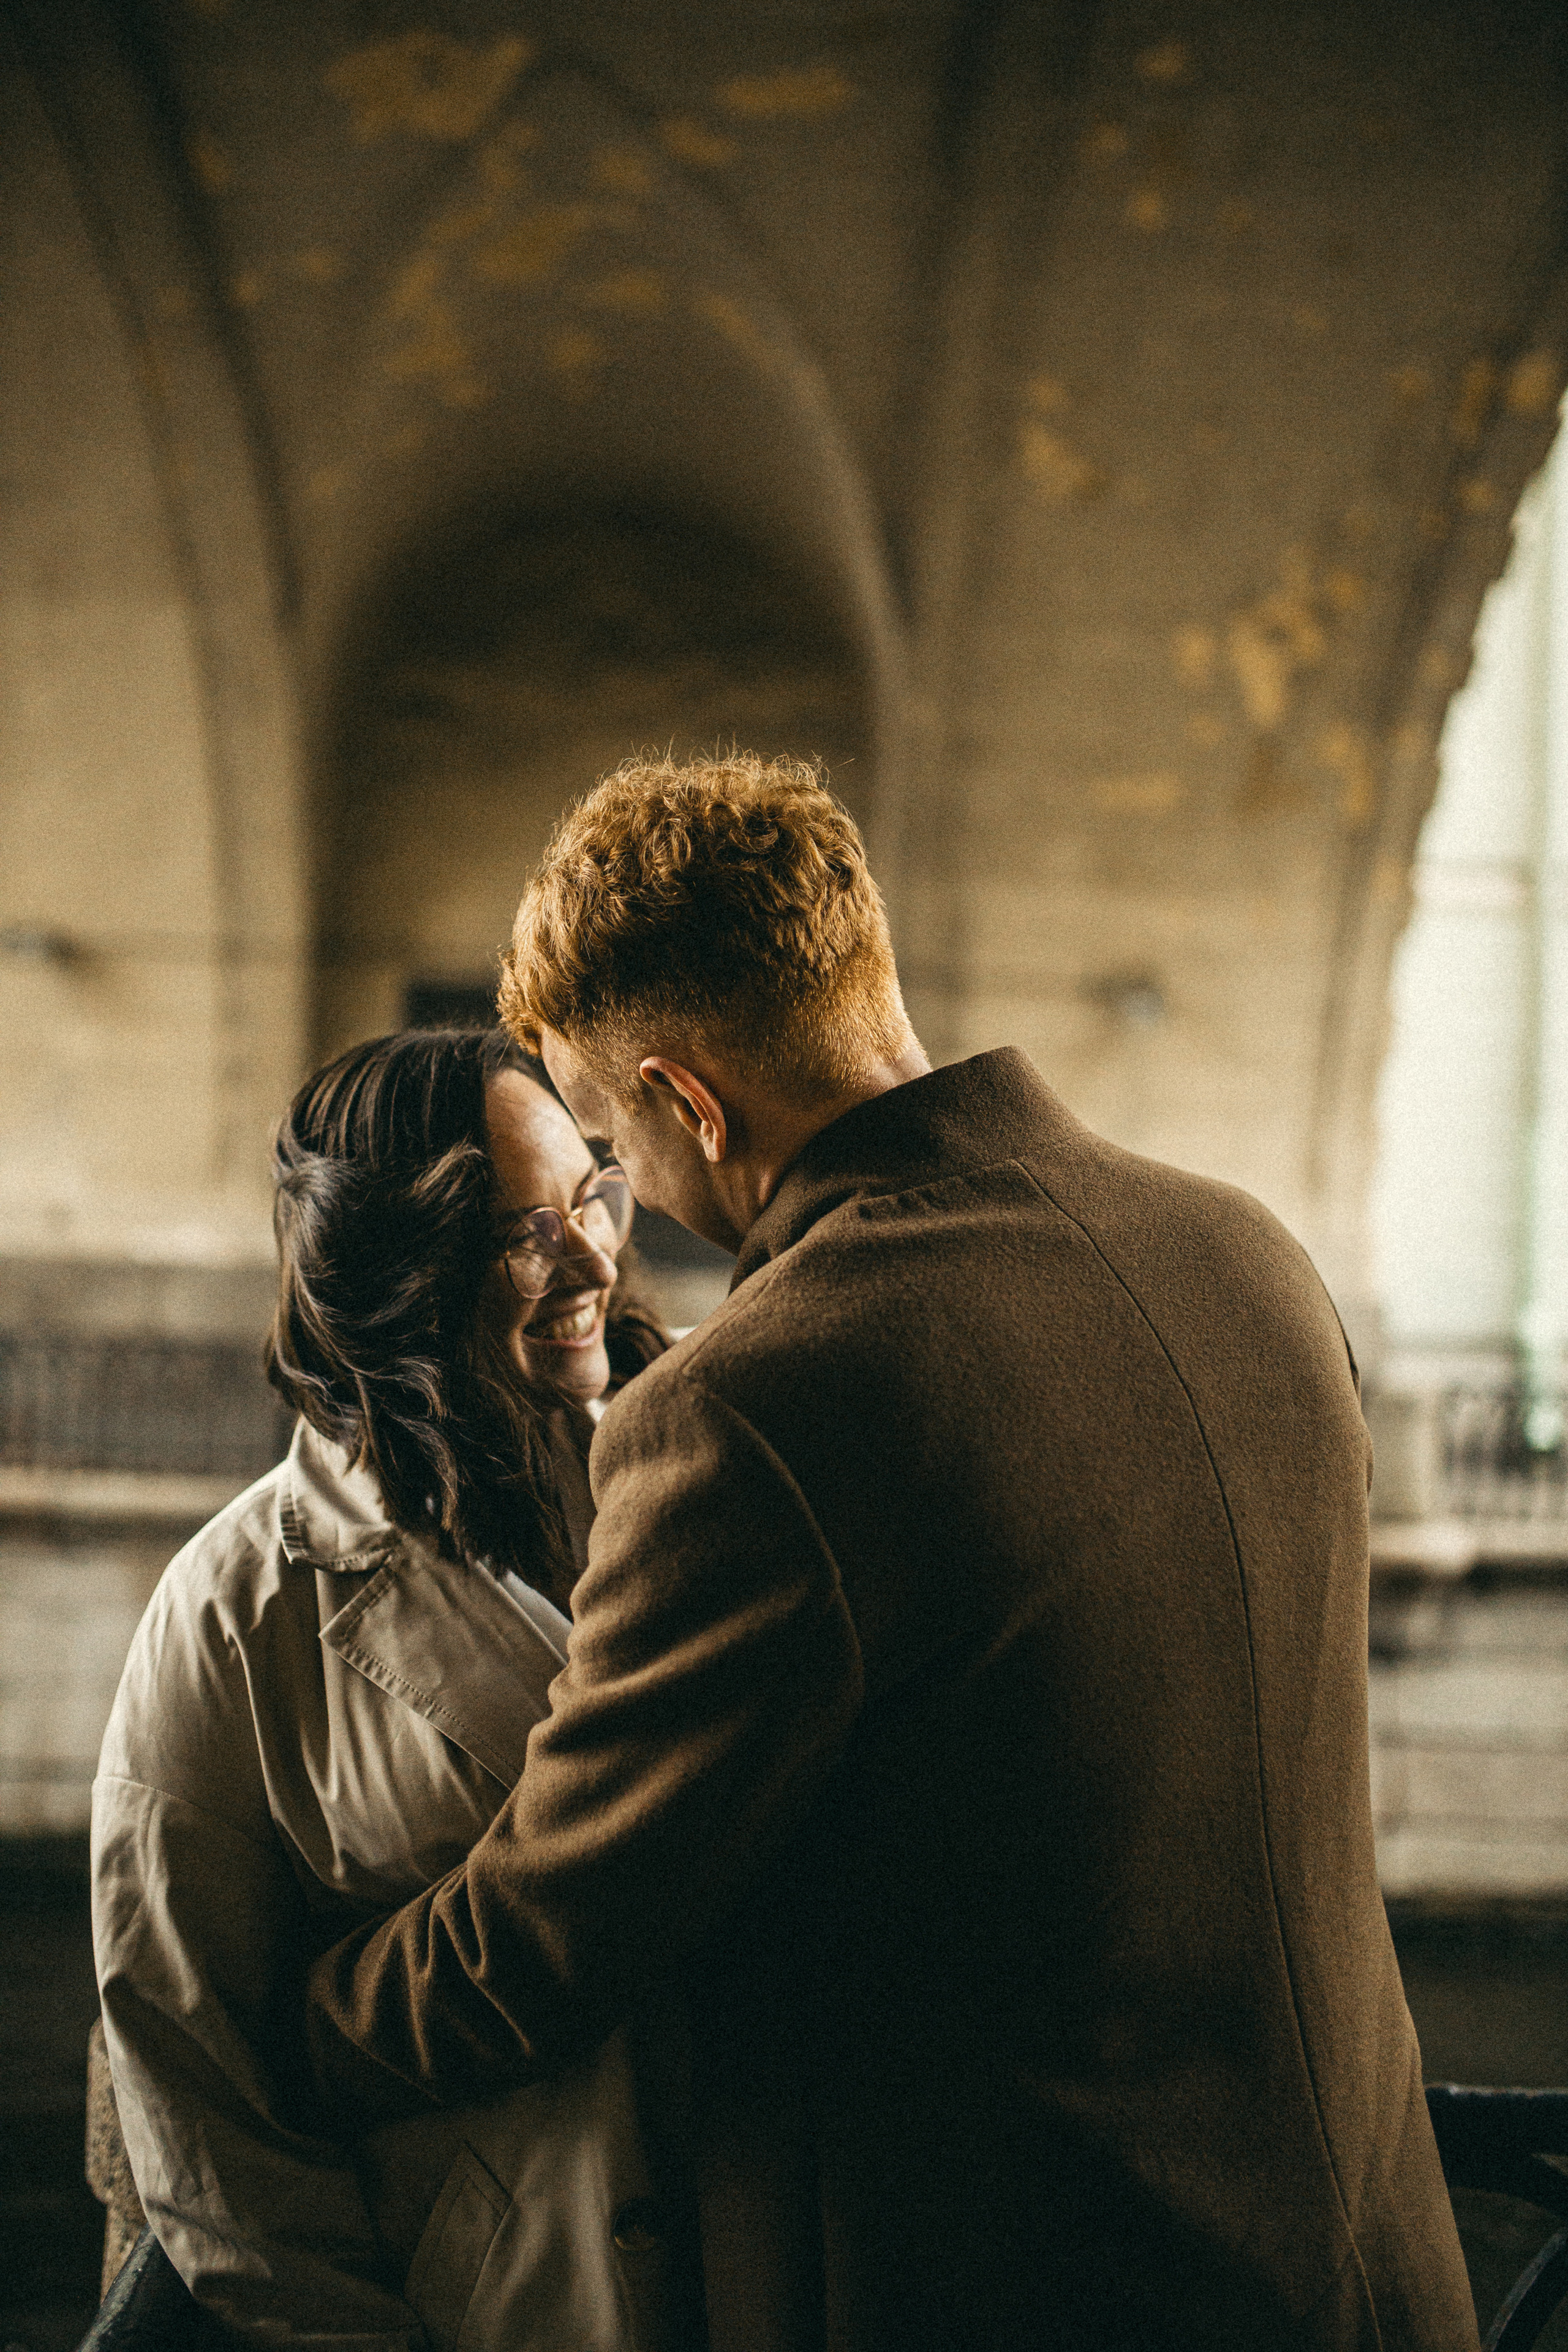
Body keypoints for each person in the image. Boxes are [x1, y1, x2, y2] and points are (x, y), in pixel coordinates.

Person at [304, 753, 1479, 2352]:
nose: (616, 1196)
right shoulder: (1249, 1254)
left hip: (1062, 2299)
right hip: (1383, 2278)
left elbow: (549, 1933)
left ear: (689, 1102)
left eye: (604, 1135)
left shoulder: (756, 1410)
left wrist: (280, 2024)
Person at [91, 1025, 693, 2350]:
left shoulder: (719, 1472)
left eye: (593, 1191)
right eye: (518, 1233)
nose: (592, 1255)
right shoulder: (234, 1616)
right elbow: (204, 2116)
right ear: (391, 1276)